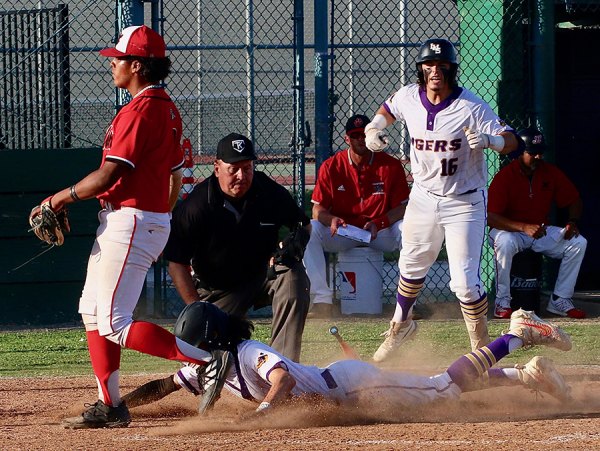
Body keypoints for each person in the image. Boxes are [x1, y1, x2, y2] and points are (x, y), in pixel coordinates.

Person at [30, 25, 215, 429]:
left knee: (114, 321)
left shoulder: (141, 110)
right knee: (92, 313)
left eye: (118, 58)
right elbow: (174, 175)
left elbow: (106, 175)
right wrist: (159, 217)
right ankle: (110, 405)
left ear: (137, 65)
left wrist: (56, 199)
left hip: (131, 220)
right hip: (137, 219)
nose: (111, 63)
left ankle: (208, 362)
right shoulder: (166, 107)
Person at [121, 302, 572, 419]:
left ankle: (516, 335)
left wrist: (259, 415)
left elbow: (282, 382)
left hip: (354, 386)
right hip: (345, 389)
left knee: (443, 389)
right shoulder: (211, 366)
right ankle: (522, 373)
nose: (192, 359)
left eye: (197, 348)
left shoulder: (246, 352)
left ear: (215, 341)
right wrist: (121, 406)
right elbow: (162, 386)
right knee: (439, 394)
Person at [363, 38, 521, 362]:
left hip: (464, 202)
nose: (435, 70)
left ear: (451, 69)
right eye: (429, 65)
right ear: (421, 69)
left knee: (464, 283)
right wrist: (373, 127)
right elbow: (389, 108)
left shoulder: (471, 106)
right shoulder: (409, 96)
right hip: (422, 196)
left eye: (441, 65)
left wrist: (491, 140)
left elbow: (512, 140)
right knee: (410, 265)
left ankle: (481, 350)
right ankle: (400, 326)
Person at [163, 132, 311, 363]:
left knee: (292, 276)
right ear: (217, 168)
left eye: (247, 168)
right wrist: (198, 309)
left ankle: (282, 366)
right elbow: (176, 263)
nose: (241, 175)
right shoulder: (197, 206)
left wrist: (296, 244)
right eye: (233, 169)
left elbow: (303, 224)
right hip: (217, 289)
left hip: (262, 276)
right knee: (206, 361)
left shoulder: (267, 191)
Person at [303, 114, 410, 318]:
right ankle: (322, 301)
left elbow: (402, 209)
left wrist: (379, 223)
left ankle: (406, 301)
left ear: (372, 136)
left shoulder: (391, 165)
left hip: (380, 231)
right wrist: (331, 220)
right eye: (355, 136)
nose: (360, 139)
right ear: (347, 139)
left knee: (408, 229)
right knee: (311, 229)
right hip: (346, 231)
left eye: (363, 135)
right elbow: (318, 210)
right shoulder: (331, 166)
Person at [488, 127, 587, 319]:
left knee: (578, 243)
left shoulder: (550, 172)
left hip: (539, 231)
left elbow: (574, 200)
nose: (538, 157)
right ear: (520, 153)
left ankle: (560, 299)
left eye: (541, 152)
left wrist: (572, 222)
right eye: (532, 153)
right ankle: (502, 302)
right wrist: (523, 227)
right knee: (505, 242)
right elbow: (491, 217)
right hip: (510, 232)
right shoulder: (505, 176)